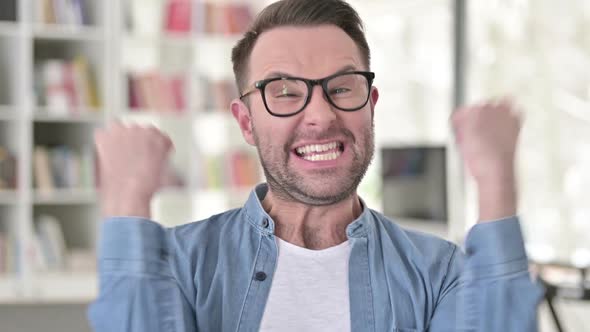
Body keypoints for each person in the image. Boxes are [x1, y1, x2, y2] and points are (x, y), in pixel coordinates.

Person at [88, 0, 544, 331]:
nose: (321, 115)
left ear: (371, 105)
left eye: (342, 87)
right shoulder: (181, 263)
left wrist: (496, 182)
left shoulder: (436, 272)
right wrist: (127, 201)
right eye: (285, 92)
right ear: (246, 122)